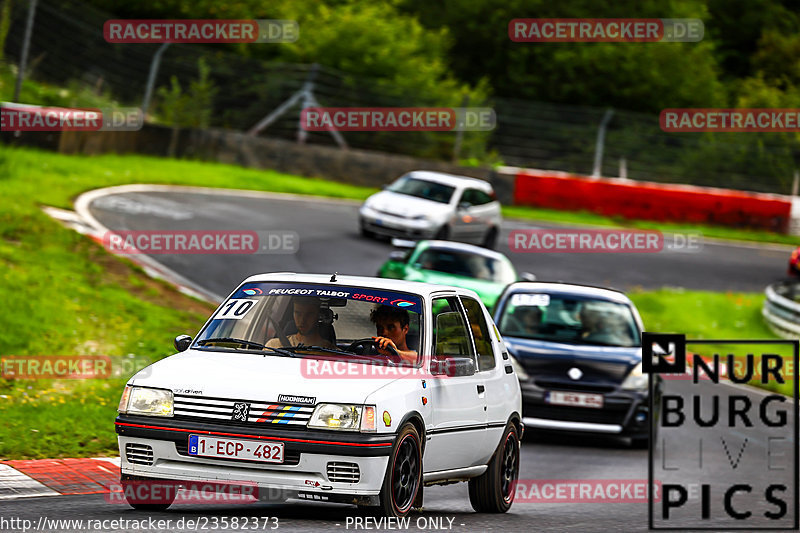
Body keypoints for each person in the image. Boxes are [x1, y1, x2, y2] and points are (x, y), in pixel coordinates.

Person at [266, 296, 335, 349]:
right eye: (298, 313)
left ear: (318, 315)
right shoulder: (273, 346)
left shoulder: (333, 353)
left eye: (309, 314)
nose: (302, 320)